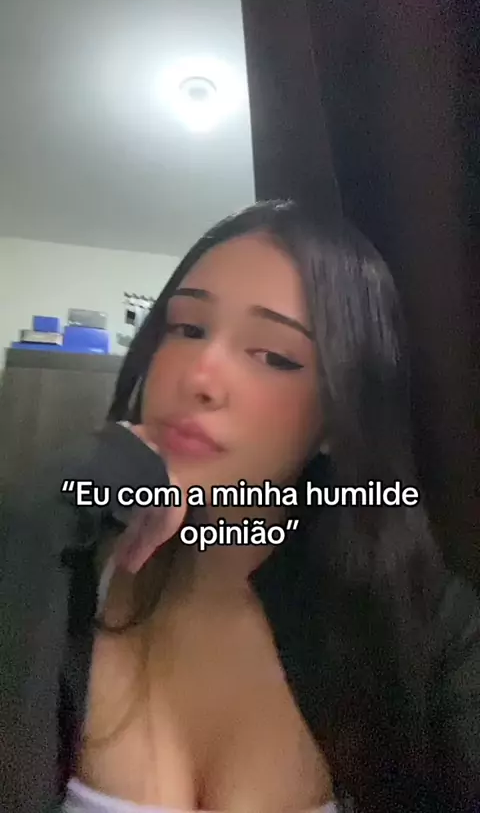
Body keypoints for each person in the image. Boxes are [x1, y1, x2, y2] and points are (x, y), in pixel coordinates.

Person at [0, 200, 479, 813]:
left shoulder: (426, 630)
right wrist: (49, 506)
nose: (200, 376)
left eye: (275, 356)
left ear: (338, 418)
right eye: (187, 328)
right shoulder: (62, 576)